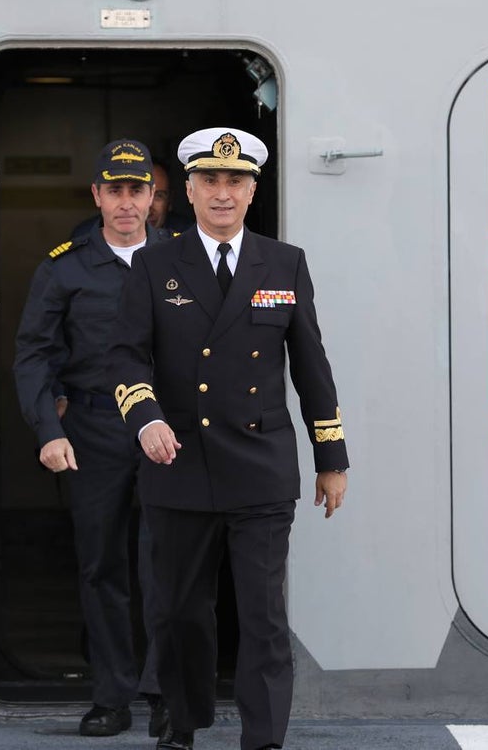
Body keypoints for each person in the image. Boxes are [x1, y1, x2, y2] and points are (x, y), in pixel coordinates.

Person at [105, 127, 349, 750]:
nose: (222, 192)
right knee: (179, 612)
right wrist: (146, 418)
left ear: (252, 191)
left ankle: (264, 739)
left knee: (263, 616)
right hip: (178, 463)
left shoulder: (284, 263)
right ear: (187, 190)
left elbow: (312, 367)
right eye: (209, 180)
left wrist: (331, 458)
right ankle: (181, 723)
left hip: (260, 466)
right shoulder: (155, 264)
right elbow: (126, 356)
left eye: (235, 181)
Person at [14, 139, 170, 739]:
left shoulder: (183, 259)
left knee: (166, 564)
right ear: (97, 196)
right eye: (115, 191)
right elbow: (34, 354)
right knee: (101, 565)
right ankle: (112, 696)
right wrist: (48, 430)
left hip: (166, 431)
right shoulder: (64, 267)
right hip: (93, 429)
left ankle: (165, 692)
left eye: (138, 190)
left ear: (153, 197)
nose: (127, 202)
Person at [71, 159, 192, 238]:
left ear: (170, 201)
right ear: (97, 195)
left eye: (158, 196)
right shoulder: (85, 234)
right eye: (137, 193)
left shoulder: (188, 235)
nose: (148, 207)